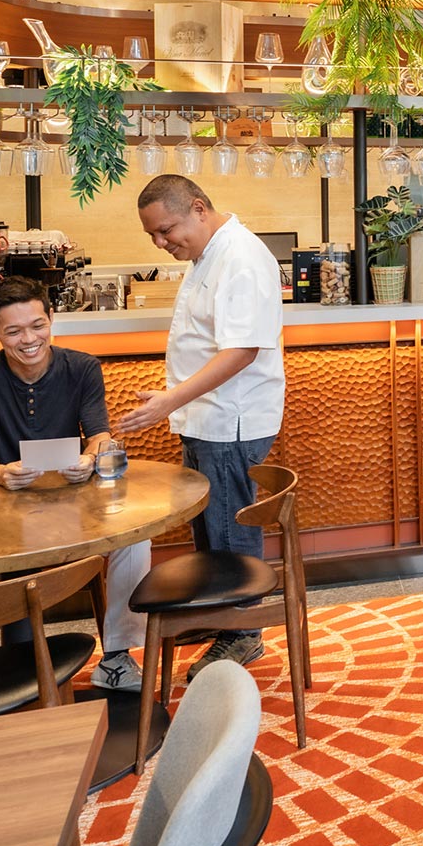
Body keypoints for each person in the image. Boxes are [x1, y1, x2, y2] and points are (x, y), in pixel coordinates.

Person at [0, 275, 147, 690]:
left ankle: (118, 657)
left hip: (70, 500)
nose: (29, 339)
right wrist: (0, 473)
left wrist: (90, 458)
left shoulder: (82, 368)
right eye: (14, 331)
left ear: (52, 318)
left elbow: (99, 434)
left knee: (135, 537)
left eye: (38, 325)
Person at [119, 174, 285, 678]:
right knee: (209, 529)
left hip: (230, 419)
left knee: (230, 531)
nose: (160, 242)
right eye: (152, 235)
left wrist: (169, 400)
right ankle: (218, 613)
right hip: (205, 416)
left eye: (166, 230)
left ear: (198, 208)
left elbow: (242, 350)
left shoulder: (241, 257)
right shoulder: (207, 254)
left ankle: (243, 632)